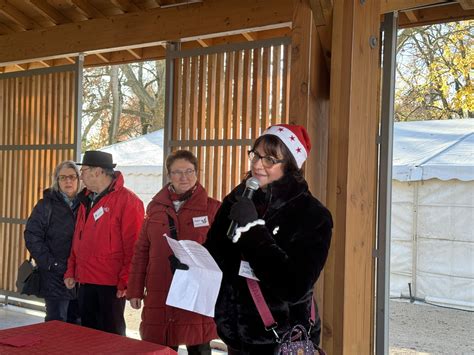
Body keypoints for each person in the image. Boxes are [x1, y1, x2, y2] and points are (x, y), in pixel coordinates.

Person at [204, 124, 333, 354]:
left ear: (291, 166)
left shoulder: (312, 214)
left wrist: (253, 230)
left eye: (270, 159)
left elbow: (295, 287)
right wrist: (192, 262)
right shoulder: (240, 198)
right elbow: (218, 253)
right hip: (236, 336)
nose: (257, 164)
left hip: (281, 340)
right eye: (255, 155)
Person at [127, 150, 221, 354]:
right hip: (160, 287)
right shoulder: (155, 208)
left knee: (198, 346)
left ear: (197, 173)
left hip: (196, 291)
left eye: (189, 171)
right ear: (169, 175)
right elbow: (142, 250)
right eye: (177, 172)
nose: (184, 177)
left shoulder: (213, 208)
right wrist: (135, 289)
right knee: (161, 347)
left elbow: (224, 253)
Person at [64, 151, 144, 336]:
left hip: (110, 284)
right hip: (84, 280)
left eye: (84, 170)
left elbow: (134, 247)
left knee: (111, 336)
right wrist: (71, 269)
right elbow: (78, 239)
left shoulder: (128, 201)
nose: (80, 175)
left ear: (98, 171)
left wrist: (125, 282)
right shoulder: (85, 199)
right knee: (88, 336)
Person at [24, 160, 81, 324]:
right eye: (63, 177)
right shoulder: (45, 205)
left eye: (72, 177)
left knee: (79, 325)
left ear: (78, 179)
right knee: (56, 323)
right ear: (57, 180)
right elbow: (32, 236)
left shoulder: (86, 204)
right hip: (54, 275)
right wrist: (51, 264)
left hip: (80, 275)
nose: (68, 181)